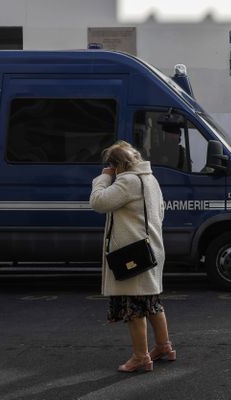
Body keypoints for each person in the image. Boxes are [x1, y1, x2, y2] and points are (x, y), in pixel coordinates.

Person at [89, 140, 176, 373]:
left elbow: (98, 202)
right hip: (151, 249)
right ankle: (164, 347)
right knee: (152, 302)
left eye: (111, 165)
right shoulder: (150, 178)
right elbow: (161, 211)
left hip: (131, 253)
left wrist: (103, 178)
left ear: (117, 165)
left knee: (134, 307)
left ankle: (141, 357)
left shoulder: (127, 181)